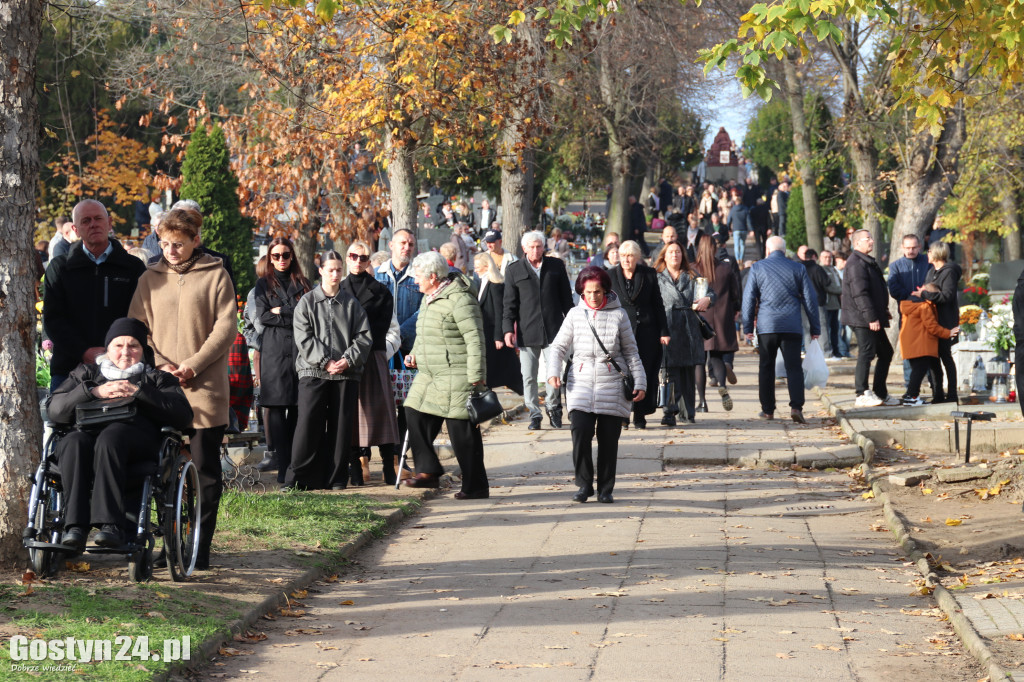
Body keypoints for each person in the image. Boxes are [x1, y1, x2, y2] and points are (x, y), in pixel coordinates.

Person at [128, 208, 237, 569]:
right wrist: (162, 366)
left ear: (195, 241)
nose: (170, 250)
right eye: (164, 243)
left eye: (177, 244)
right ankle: (169, 544)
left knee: (205, 472)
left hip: (204, 386)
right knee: (163, 472)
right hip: (163, 387)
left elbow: (225, 328)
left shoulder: (216, 275)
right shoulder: (150, 278)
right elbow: (137, 327)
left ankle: (200, 547)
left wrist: (193, 364)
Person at [47, 318, 193, 551]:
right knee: (73, 441)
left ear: (143, 351)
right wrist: (91, 391)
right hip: (87, 435)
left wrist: (140, 392)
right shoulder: (86, 374)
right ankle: (74, 528)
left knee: (111, 437)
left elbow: (183, 416)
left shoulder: (155, 378)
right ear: (108, 349)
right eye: (118, 345)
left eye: (133, 345)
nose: (126, 352)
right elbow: (55, 410)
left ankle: (111, 526)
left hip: (136, 440)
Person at [546, 266, 646, 504]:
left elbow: (631, 352)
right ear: (581, 292)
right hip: (580, 382)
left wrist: (640, 381)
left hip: (611, 382)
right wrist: (553, 372)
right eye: (588, 292)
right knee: (580, 432)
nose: (592, 297)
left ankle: (605, 488)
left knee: (608, 439)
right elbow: (558, 347)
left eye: (597, 292)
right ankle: (583, 485)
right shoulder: (574, 315)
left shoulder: (619, 315)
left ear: (605, 291)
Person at [402, 252, 490, 499]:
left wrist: (476, 376)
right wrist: (415, 353)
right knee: (413, 411)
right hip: (430, 374)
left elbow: (475, 339)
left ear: (432, 276)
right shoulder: (429, 297)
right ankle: (428, 472)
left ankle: (476, 486)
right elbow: (423, 331)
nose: (415, 280)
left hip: (458, 373)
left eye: (418, 276)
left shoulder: (460, 300)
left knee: (461, 432)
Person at [288, 250, 373, 490]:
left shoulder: (351, 303)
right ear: (321, 271)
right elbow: (303, 338)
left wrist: (347, 360)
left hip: (346, 373)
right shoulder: (306, 302)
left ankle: (336, 478)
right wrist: (325, 361)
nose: (335, 274)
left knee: (341, 427)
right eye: (331, 269)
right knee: (307, 425)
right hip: (312, 372)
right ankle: (299, 478)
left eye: (338, 270)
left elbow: (364, 337)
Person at [44, 200, 147, 391]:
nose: (93, 224)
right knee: (64, 420)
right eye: (86, 220)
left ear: (109, 223)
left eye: (98, 218)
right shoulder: (60, 268)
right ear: (75, 228)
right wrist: (83, 351)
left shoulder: (132, 267)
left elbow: (140, 317)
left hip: (123, 368)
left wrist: (116, 352)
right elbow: (53, 318)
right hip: (70, 369)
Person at [742, 235, 820, 423]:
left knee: (766, 366)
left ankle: (768, 410)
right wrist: (814, 327)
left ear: (768, 250)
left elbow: (749, 298)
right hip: (791, 325)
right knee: (794, 367)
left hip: (767, 325)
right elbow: (810, 299)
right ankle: (796, 407)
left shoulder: (758, 267)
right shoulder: (798, 268)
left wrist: (747, 326)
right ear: (785, 251)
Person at [252, 237, 311, 481]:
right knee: (275, 408)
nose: (281, 260)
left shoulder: (304, 283)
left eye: (285, 255)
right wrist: (290, 313)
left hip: (299, 350)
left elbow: (307, 315)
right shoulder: (262, 285)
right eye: (275, 256)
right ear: (269, 258)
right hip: (274, 352)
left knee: (298, 408)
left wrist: (281, 311)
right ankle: (281, 468)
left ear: (292, 256)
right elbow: (263, 317)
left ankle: (294, 469)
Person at [502, 231, 575, 430]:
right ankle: (534, 413)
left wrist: (574, 325)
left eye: (539, 246)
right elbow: (509, 305)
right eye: (531, 247)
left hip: (554, 330)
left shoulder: (556, 266)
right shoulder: (514, 270)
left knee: (554, 372)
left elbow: (566, 301)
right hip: (527, 331)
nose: (535, 250)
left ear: (544, 247)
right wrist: (508, 330)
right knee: (528, 376)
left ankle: (553, 408)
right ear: (524, 248)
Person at [343, 240, 401, 485]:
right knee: (351, 415)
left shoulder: (381, 291)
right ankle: (355, 468)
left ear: (369, 261)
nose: (358, 261)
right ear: (347, 258)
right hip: (345, 359)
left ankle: (389, 466)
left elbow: (381, 328)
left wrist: (367, 347)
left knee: (383, 413)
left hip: (373, 355)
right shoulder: (337, 289)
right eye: (353, 256)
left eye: (363, 257)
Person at [607, 240, 670, 429]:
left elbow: (658, 305)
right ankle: (624, 414)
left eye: (631, 256)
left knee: (645, 373)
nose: (627, 259)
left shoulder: (648, 274)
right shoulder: (610, 276)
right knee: (623, 374)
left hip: (646, 332)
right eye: (624, 256)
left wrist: (664, 331)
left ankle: (640, 414)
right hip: (620, 331)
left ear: (637, 258)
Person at [654, 243, 713, 425]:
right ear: (664, 256)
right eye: (671, 252)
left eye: (678, 252)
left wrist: (707, 298)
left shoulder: (692, 276)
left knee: (688, 371)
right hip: (667, 326)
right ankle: (669, 410)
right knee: (668, 371)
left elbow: (709, 292)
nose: (674, 255)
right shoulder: (656, 277)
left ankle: (688, 411)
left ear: (683, 255)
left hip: (688, 327)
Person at [842, 229, 898, 407]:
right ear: (857, 243)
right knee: (867, 352)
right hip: (862, 317)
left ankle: (880, 392)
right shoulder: (856, 263)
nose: (872, 241)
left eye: (871, 238)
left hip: (871, 315)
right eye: (868, 239)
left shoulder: (865, 261)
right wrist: (871, 317)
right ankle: (861, 393)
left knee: (886, 352)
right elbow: (860, 294)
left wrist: (882, 311)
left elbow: (874, 289)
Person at [694, 236, 741, 413]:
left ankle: (702, 402)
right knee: (717, 356)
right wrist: (735, 307)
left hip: (700, 318)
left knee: (699, 361)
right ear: (714, 249)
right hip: (722, 317)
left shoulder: (693, 269)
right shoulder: (725, 268)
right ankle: (722, 385)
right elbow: (735, 293)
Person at [916, 240, 963, 404]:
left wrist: (924, 294)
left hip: (945, 321)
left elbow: (947, 296)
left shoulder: (949, 272)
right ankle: (937, 394)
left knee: (946, 358)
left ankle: (951, 395)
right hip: (931, 321)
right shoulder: (931, 272)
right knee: (932, 359)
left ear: (936, 254)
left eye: (929, 251)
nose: (927, 254)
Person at [899, 283, 959, 405]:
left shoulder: (910, 305)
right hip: (922, 344)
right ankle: (911, 396)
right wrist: (948, 332)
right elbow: (932, 327)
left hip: (909, 343)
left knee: (916, 370)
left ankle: (911, 395)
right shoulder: (924, 306)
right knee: (919, 371)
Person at [474, 253, 523, 395]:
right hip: (486, 332)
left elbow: (499, 312)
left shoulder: (495, 285)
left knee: (503, 368)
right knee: (496, 367)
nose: (475, 270)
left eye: (478, 267)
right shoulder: (482, 282)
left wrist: (499, 336)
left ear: (486, 266)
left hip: (492, 333)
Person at [801, 248, 832, 356]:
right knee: (822, 326)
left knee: (806, 327)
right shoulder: (817, 268)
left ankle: (809, 351)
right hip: (818, 301)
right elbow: (827, 282)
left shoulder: (800, 267)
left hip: (803, 301)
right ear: (814, 257)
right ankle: (825, 352)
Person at [819, 251, 844, 360]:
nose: (828, 259)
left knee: (835, 329)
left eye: (829, 257)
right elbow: (828, 286)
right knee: (826, 329)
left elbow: (840, 282)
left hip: (836, 304)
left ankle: (836, 350)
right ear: (820, 258)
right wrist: (841, 290)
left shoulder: (833, 269)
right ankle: (827, 351)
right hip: (827, 304)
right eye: (825, 257)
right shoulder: (821, 269)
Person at [726, 188, 751, 262]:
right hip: (744, 229)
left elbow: (729, 220)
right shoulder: (745, 209)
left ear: (735, 202)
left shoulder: (733, 209)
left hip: (736, 229)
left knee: (736, 245)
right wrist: (751, 229)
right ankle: (741, 258)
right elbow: (748, 220)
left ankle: (737, 259)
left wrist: (728, 228)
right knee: (742, 244)